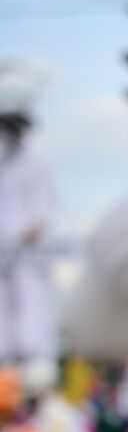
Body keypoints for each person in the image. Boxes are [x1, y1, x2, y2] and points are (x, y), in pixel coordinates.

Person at [0, 110, 58, 364]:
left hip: (26, 246)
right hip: (5, 245)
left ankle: (29, 356)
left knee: (29, 297)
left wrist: (36, 227)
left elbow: (47, 204)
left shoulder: (37, 163)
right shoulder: (5, 164)